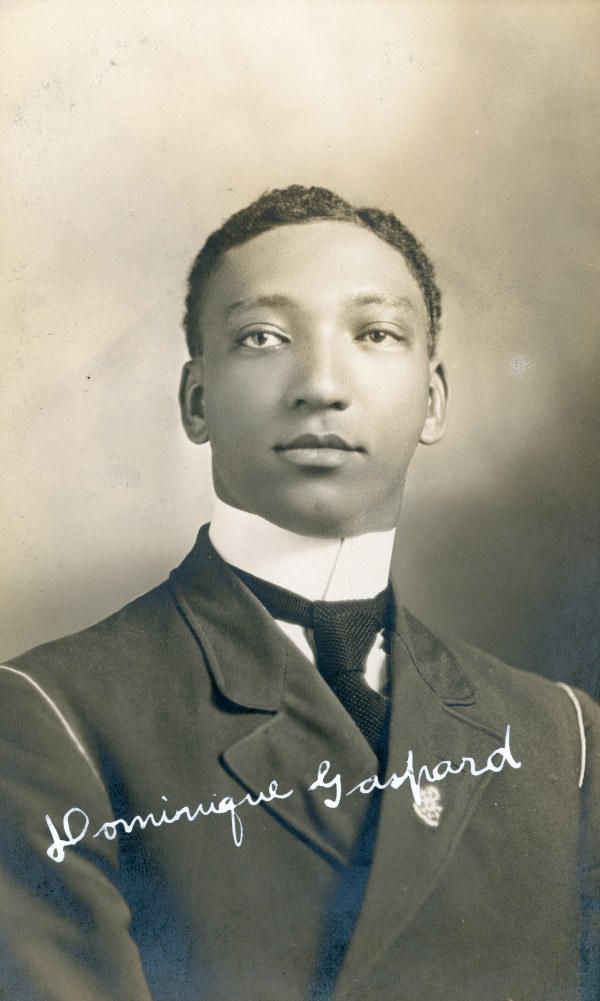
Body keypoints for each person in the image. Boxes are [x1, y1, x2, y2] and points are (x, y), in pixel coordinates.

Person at [1, 185, 598, 1001]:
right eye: (263, 337)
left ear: (433, 399)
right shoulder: (51, 717)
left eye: (376, 334)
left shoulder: (565, 742)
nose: (321, 384)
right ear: (197, 399)